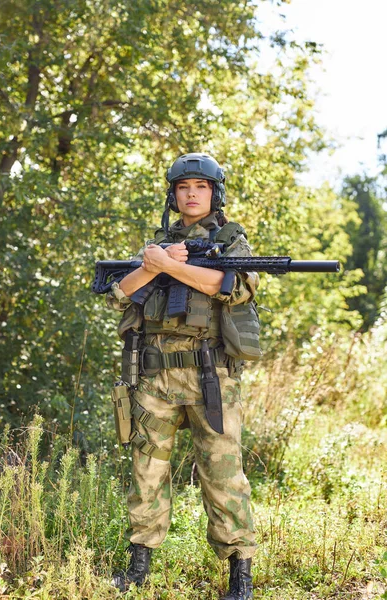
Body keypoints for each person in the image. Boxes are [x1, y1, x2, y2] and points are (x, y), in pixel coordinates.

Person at [106, 153, 260, 599]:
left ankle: (240, 574)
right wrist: (151, 265)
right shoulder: (157, 245)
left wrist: (169, 266)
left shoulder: (231, 240)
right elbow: (120, 294)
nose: (191, 195)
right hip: (154, 379)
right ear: (173, 195)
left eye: (201, 187)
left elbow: (229, 287)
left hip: (212, 377)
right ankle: (138, 568)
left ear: (215, 193)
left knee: (223, 474)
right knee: (146, 471)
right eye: (183, 187)